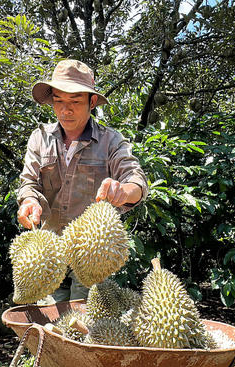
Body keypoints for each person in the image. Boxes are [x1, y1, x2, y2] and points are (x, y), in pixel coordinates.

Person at [16, 59, 148, 302]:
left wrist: (123, 191)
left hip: (92, 252)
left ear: (92, 101)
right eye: (58, 101)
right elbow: (29, 183)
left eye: (75, 102)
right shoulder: (40, 138)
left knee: (85, 323)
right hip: (48, 250)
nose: (65, 110)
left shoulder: (111, 141)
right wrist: (29, 201)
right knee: (50, 323)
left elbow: (136, 181)